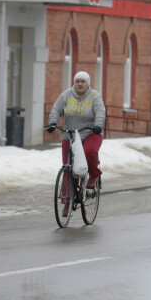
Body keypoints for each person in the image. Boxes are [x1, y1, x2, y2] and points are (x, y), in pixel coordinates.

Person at [47, 71, 105, 215]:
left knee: (89, 152)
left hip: (90, 133)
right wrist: (52, 123)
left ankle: (93, 175)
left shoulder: (94, 96)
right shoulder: (66, 95)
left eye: (82, 81)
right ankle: (67, 203)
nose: (79, 84)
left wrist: (98, 125)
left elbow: (100, 112)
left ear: (88, 83)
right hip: (70, 135)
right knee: (68, 169)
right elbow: (56, 109)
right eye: (77, 81)